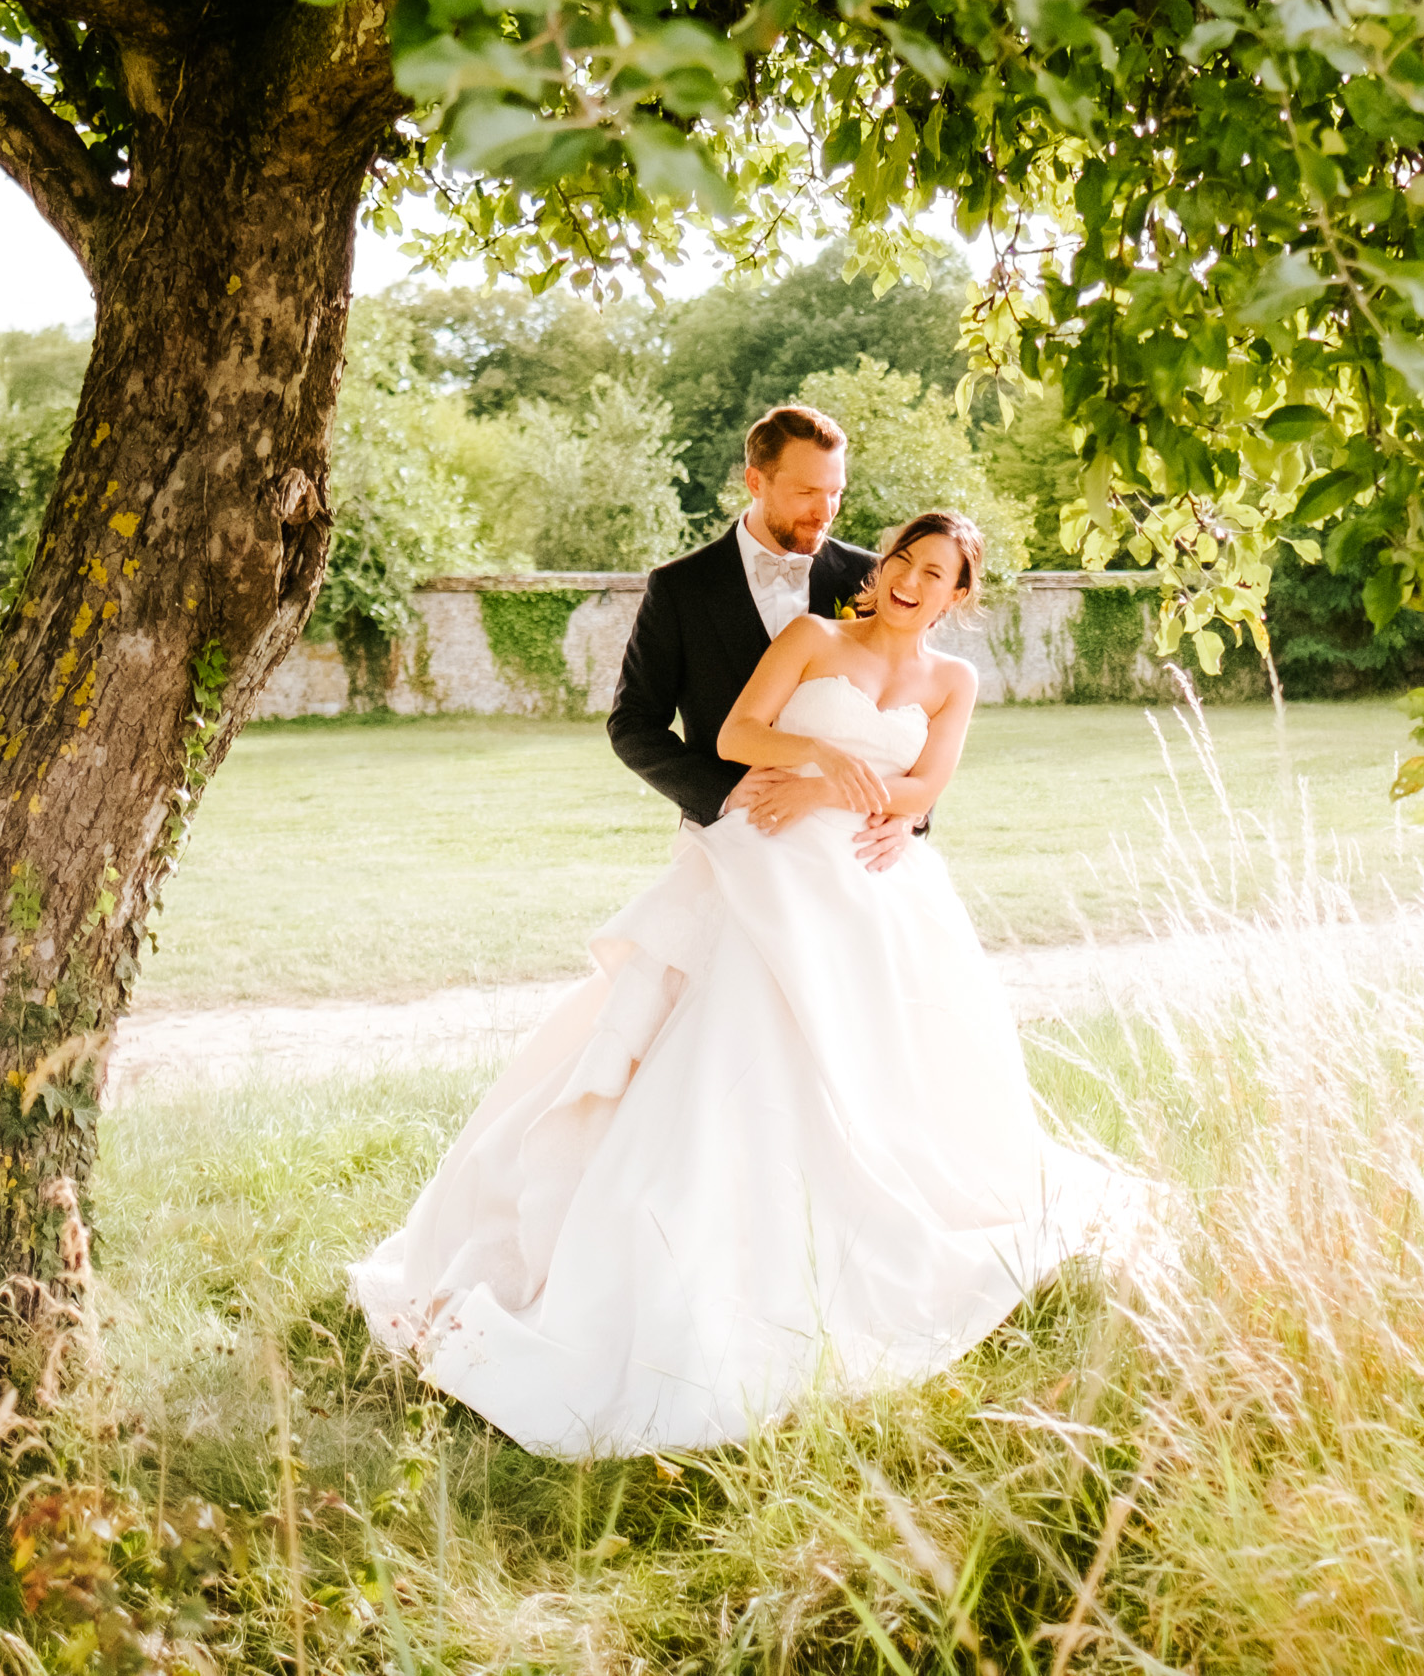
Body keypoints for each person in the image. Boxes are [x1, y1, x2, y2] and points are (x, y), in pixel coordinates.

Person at [349, 509, 1120, 1458]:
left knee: (890, 1057)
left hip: (876, 883)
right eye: (906, 562)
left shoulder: (952, 680)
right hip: (766, 857)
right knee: (729, 1036)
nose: (916, 582)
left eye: (939, 574)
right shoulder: (813, 635)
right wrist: (825, 757)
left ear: (961, 595)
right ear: (884, 568)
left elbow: (925, 789)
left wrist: (840, 791)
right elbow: (738, 731)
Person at [608, 402, 917, 870]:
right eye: (807, 492)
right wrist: (721, 793)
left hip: (850, 850)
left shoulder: (868, 578)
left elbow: (916, 701)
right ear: (756, 482)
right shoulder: (680, 588)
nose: (824, 512)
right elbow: (633, 724)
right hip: (729, 843)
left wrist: (910, 813)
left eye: (836, 493)